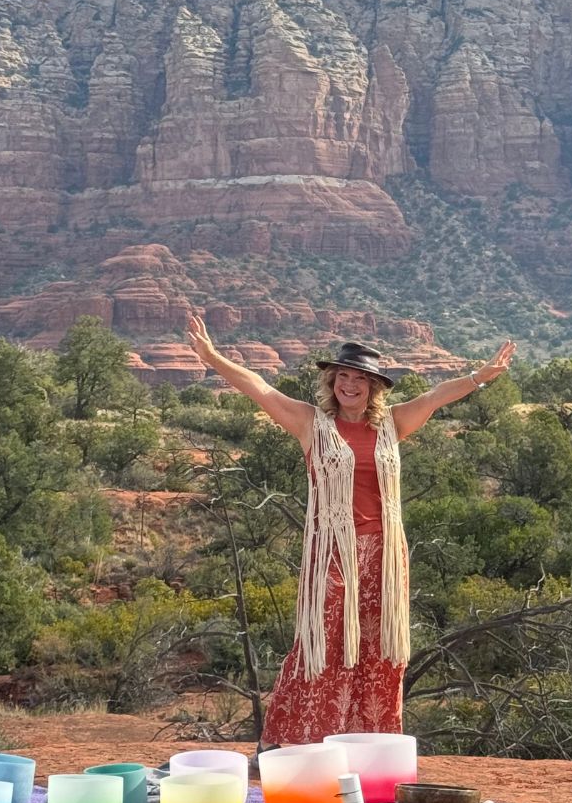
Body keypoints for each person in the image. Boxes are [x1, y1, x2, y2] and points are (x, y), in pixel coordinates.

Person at [186, 315, 515, 752]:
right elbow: (259, 388)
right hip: (333, 553)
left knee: (380, 647)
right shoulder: (310, 423)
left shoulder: (392, 424)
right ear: (332, 381)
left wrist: (480, 377)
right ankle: (296, 744)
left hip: (384, 553)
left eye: (360, 378)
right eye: (343, 376)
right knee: (323, 642)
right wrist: (212, 357)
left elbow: (437, 396)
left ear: (374, 386)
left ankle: (370, 748)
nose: (350, 385)